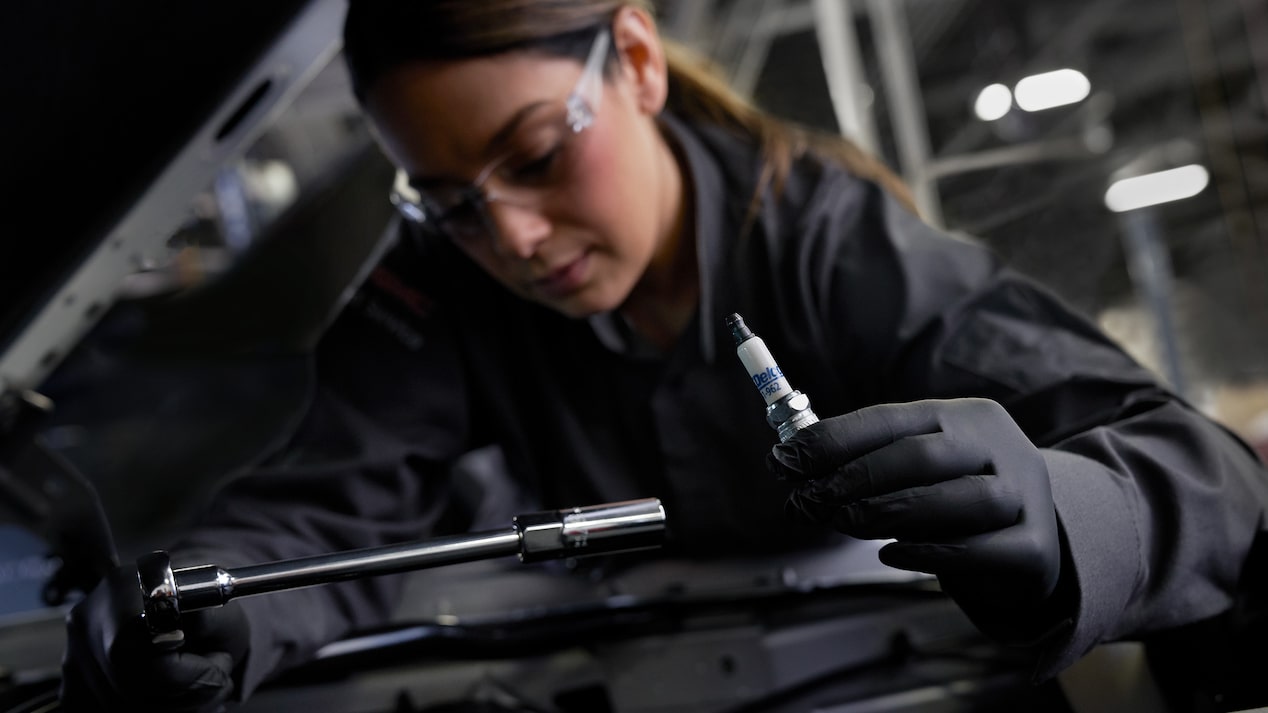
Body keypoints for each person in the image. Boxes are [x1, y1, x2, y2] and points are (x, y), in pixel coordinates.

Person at [60, 0, 1268, 710]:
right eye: (448, 199)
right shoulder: (440, 279)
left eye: (534, 155)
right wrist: (219, 607)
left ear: (634, 61)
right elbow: (324, 521)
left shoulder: (826, 243)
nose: (513, 239)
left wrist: (1062, 511)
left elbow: (1204, 474)